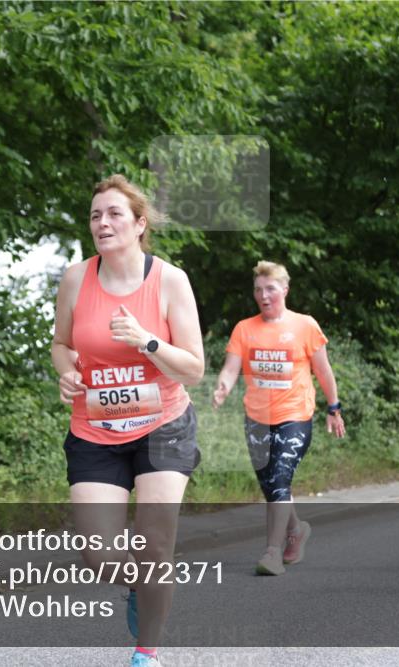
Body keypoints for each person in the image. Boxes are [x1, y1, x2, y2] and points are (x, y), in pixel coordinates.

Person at [52, 174, 205, 667]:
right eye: (96, 214)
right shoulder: (76, 278)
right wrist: (66, 373)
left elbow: (195, 369)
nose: (103, 222)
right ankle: (143, 586)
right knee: (98, 556)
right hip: (94, 429)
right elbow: (61, 345)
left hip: (163, 425)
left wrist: (147, 341)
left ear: (140, 224)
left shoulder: (169, 280)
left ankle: (146, 653)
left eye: (114, 213)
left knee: (156, 545)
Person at [212, 261, 345, 575]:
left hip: (295, 414)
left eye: (270, 288)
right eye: (258, 289)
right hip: (256, 418)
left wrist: (334, 407)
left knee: (280, 478)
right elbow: (231, 368)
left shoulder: (304, 325)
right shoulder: (245, 328)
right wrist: (222, 389)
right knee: (271, 485)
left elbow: (323, 370)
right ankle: (296, 530)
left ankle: (271, 552)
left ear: (285, 289)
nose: (263, 295)